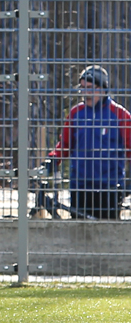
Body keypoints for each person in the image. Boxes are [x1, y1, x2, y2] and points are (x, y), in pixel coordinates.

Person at [40, 66, 131, 219]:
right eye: (82, 88)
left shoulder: (120, 115)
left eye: (90, 88)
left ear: (103, 88)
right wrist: (52, 160)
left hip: (109, 187)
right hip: (80, 185)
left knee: (106, 229)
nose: (85, 92)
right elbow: (65, 145)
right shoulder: (76, 113)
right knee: (79, 230)